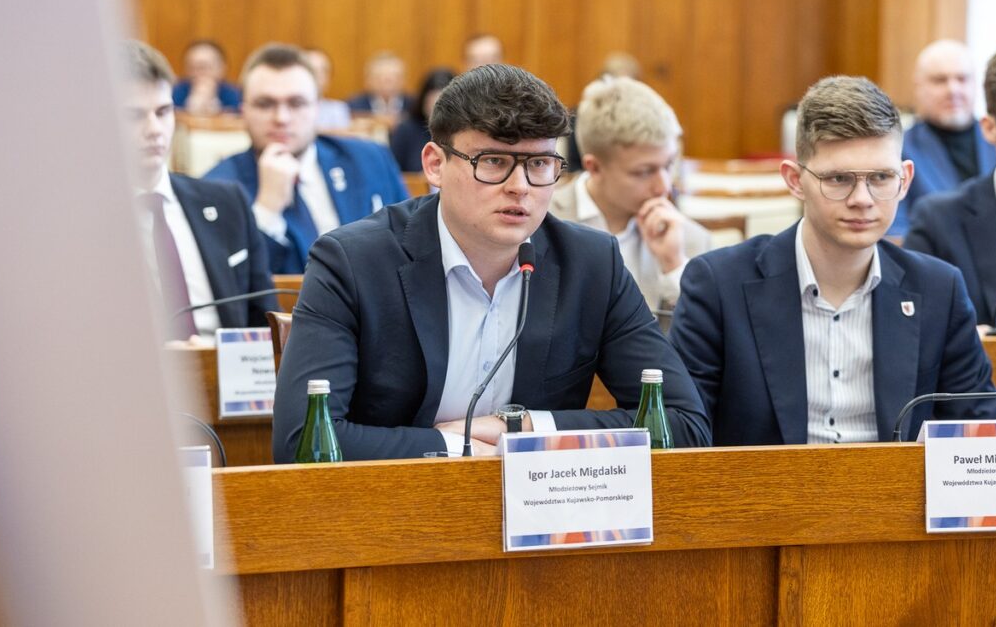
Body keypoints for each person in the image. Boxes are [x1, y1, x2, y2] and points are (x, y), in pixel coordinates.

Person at [272, 64, 711, 462]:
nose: (520, 187)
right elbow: (304, 443)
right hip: (392, 515)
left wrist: (520, 429)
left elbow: (683, 424)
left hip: (543, 517)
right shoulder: (352, 262)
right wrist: (453, 445)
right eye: (494, 162)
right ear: (435, 164)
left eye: (539, 164)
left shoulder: (592, 263)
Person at [670, 75, 996, 446]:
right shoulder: (718, 285)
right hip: (761, 501)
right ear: (795, 180)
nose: (862, 198)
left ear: (905, 180)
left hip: (897, 501)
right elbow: (684, 439)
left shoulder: (939, 290)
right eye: (839, 179)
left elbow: (983, 441)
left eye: (880, 177)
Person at [205, 43, 408, 274]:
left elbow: (412, 244)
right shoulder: (217, 188)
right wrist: (267, 210)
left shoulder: (370, 158)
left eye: (296, 103)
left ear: (317, 109)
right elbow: (232, 284)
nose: (281, 117)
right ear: (243, 112)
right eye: (265, 104)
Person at [121, 40, 277, 341]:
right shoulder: (78, 223)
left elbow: (264, 323)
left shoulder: (227, 202)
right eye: (134, 116)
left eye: (163, 111)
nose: (154, 129)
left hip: (232, 380)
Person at [550, 76, 711, 311]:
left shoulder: (691, 240)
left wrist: (674, 268)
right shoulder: (542, 221)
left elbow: (704, 341)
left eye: (668, 165)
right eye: (644, 172)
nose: (663, 186)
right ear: (594, 167)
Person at [906, 48, 996, 328]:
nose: (953, 90)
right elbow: (915, 327)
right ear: (989, 128)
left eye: (962, 79)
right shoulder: (938, 221)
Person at [894, 39, 996, 235]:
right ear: (918, 87)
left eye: (962, 79)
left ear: (976, 85)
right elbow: (897, 234)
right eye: (939, 80)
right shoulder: (899, 150)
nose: (953, 90)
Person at [389, 68, 455, 171]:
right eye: (432, 103)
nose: (437, 112)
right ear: (423, 101)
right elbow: (392, 171)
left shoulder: (463, 131)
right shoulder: (406, 130)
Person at [171, 39, 242, 115]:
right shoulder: (175, 91)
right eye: (193, 67)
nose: (199, 73)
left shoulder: (234, 93)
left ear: (222, 68)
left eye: (204, 67)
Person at [346, 51, 410, 122]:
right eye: (380, 77)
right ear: (368, 80)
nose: (387, 84)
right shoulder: (352, 106)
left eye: (394, 77)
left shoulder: (415, 106)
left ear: (404, 79)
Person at [303, 48, 351, 131]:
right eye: (310, 70)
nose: (317, 76)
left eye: (323, 71)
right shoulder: (283, 109)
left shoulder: (337, 109)